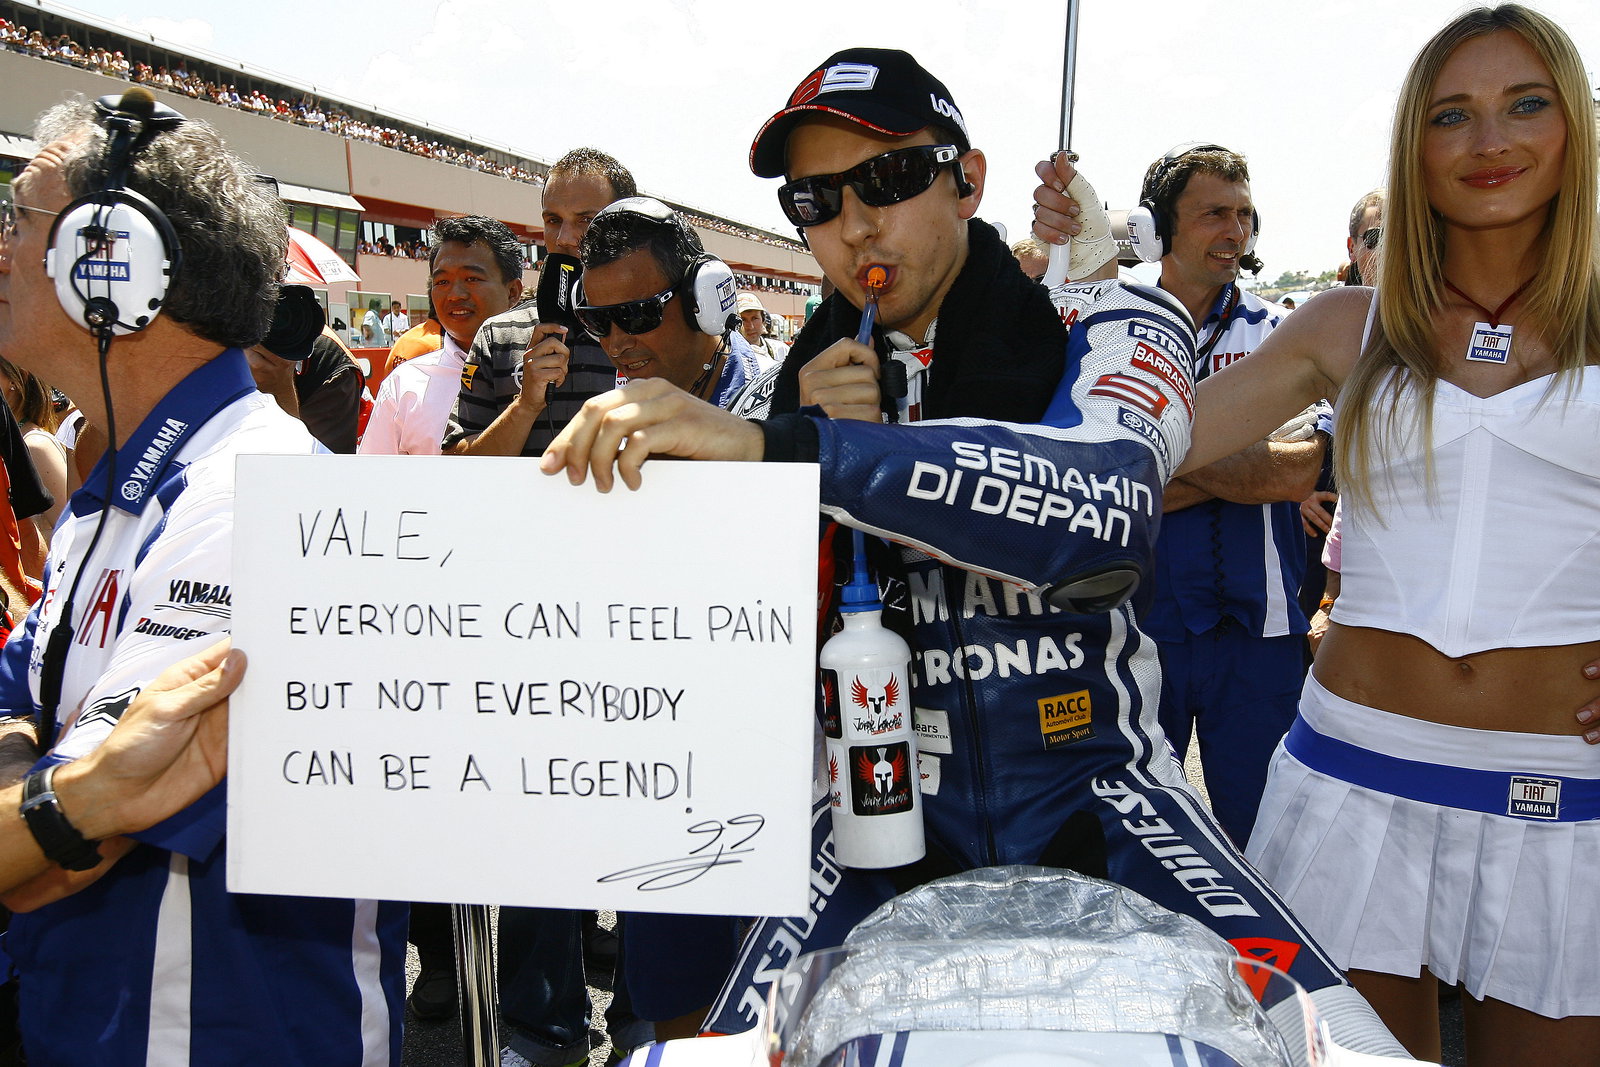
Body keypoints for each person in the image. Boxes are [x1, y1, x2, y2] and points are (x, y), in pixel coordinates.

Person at [546, 47, 1407, 1061]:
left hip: (1108, 797)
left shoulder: (1106, 319)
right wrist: (781, 472)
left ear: (969, 180)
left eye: (891, 178)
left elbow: (1107, 508)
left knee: (1355, 1047)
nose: (856, 222)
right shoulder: (805, 378)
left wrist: (820, 453)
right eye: (815, 199)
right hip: (870, 812)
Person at [1086, 7, 1598, 1063]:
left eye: (1525, 104)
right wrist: (792, 440)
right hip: (1353, 776)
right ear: (1415, 143)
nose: (1490, 140)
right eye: (1452, 114)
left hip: (1562, 789)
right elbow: (1124, 448)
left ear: (1575, 127)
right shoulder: (1338, 326)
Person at [0, 92, 406, 1062]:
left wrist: (53, 800)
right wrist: (52, 785)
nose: (2, 245)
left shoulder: (258, 504)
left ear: (118, 265)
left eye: (20, 217)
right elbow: (25, 720)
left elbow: (59, 855)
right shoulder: (111, 486)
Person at [1129, 143, 1326, 844]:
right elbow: (1108, 482)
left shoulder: (1282, 332)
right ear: (1159, 228)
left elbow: (1297, 470)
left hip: (1260, 639)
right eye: (1215, 213)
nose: (1235, 233)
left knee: (1267, 839)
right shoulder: (1114, 335)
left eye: (1244, 215)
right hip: (1144, 631)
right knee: (1144, 838)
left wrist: (1160, 450)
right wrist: (1239, 459)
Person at [445, 147, 633, 458]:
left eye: (585, 219)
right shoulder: (498, 334)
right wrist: (525, 405)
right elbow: (455, 461)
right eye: (553, 219)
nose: (564, 238)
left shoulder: (661, 327)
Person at [360, 216, 524, 456]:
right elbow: (371, 482)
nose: (455, 294)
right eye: (443, 281)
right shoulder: (403, 386)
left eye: (472, 279)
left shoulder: (548, 371)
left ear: (512, 292)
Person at [578, 198, 760, 405]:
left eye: (635, 315)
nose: (615, 346)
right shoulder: (619, 409)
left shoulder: (779, 411)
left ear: (699, 298)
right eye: (596, 319)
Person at [734, 291, 788, 368]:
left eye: (755, 318)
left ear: (763, 320)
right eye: (743, 320)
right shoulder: (730, 357)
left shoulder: (781, 350)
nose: (751, 326)